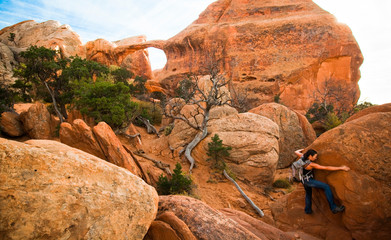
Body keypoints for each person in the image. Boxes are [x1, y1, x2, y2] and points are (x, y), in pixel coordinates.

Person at [294, 149, 350, 214]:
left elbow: (296, 152)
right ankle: (333, 208)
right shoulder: (311, 164)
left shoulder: (302, 157)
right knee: (326, 187)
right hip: (308, 180)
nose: (316, 158)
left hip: (303, 180)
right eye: (315, 156)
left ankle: (308, 210)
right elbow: (326, 168)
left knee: (308, 194)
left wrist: (301, 150)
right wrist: (341, 168)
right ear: (310, 156)